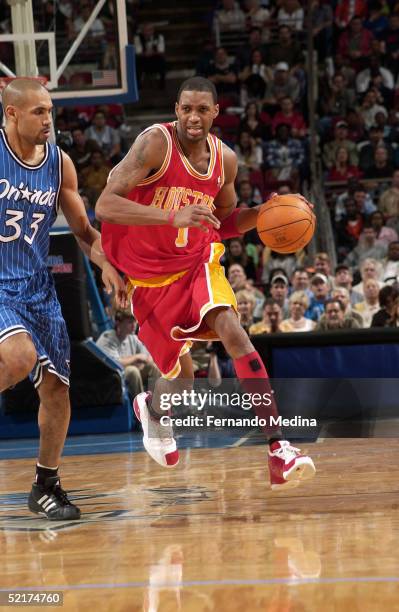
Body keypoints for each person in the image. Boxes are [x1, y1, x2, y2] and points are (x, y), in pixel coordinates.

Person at [97, 76, 315, 490]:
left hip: (197, 261)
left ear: (216, 112)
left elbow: (225, 222)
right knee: (181, 380)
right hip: (147, 276)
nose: (193, 117)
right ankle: (155, 412)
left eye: (202, 109)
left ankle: (279, 448)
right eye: (185, 109)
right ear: (176, 110)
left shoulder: (225, 161)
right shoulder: (155, 144)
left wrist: (267, 212)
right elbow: (105, 204)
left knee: (234, 332)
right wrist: (171, 216)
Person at [0, 77, 126, 520]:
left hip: (38, 290)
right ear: (12, 113)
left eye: (50, 111)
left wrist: (105, 262)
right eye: (39, 112)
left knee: (56, 389)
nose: (49, 119)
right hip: (0, 286)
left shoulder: (60, 164)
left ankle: (45, 484)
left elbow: (85, 231)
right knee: (17, 358)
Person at [96, 309, 159, 398]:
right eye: (130, 322)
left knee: (154, 367)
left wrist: (144, 360)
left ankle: (156, 407)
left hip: (128, 374)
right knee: (132, 371)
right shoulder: (107, 338)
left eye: (135, 322)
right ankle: (140, 409)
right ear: (118, 323)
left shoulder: (133, 338)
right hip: (111, 378)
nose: (134, 326)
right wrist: (136, 358)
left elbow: (148, 358)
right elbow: (113, 364)